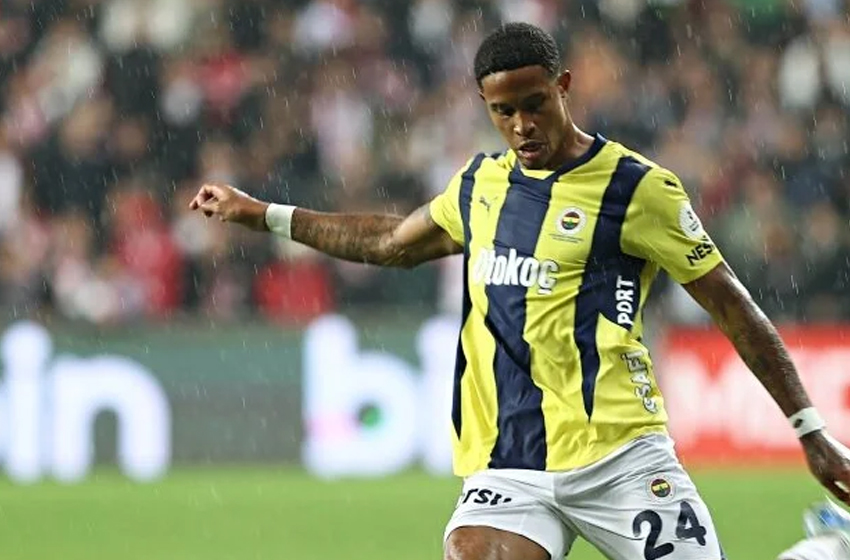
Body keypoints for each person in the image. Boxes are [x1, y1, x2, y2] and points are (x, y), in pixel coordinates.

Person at [190, 22, 850, 560]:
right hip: (510, 465)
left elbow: (732, 305)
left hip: (620, 454)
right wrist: (266, 214)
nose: (522, 125)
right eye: (502, 111)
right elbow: (390, 242)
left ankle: (823, 548)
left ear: (563, 86)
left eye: (534, 104)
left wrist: (810, 430)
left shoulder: (637, 189)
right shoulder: (479, 185)